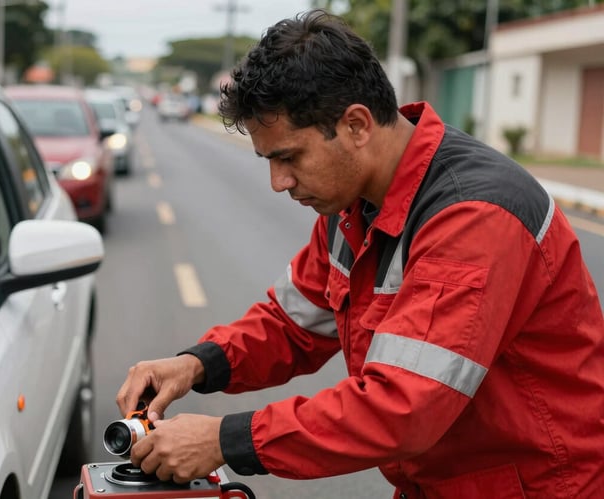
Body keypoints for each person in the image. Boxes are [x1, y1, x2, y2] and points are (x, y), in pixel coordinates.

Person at [116, 9, 604, 498]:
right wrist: (196, 365)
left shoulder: (473, 215)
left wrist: (227, 439)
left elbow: (404, 407)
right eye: (270, 161)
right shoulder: (351, 205)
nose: (278, 182)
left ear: (356, 125)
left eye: (289, 157)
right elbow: (291, 323)